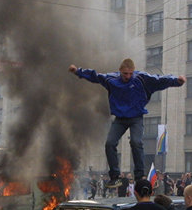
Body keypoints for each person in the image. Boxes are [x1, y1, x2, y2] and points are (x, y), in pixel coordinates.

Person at [69, 59, 185, 187]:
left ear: (133, 71)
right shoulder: (111, 79)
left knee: (136, 142)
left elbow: (160, 80)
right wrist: (78, 72)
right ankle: (115, 177)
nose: (128, 77)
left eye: (130, 74)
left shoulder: (142, 78)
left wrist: (177, 81)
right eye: (125, 74)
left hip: (136, 118)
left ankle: (139, 175)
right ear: (120, 72)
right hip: (120, 119)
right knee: (110, 143)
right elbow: (95, 76)